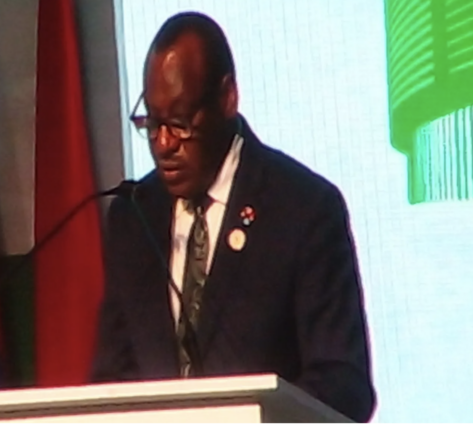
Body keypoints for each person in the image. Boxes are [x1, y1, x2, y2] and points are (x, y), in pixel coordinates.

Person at [91, 11, 376, 422]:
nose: (164, 143)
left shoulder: (303, 209)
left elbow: (343, 385)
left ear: (227, 98)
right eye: (151, 123)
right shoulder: (134, 217)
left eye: (180, 123)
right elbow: (112, 379)